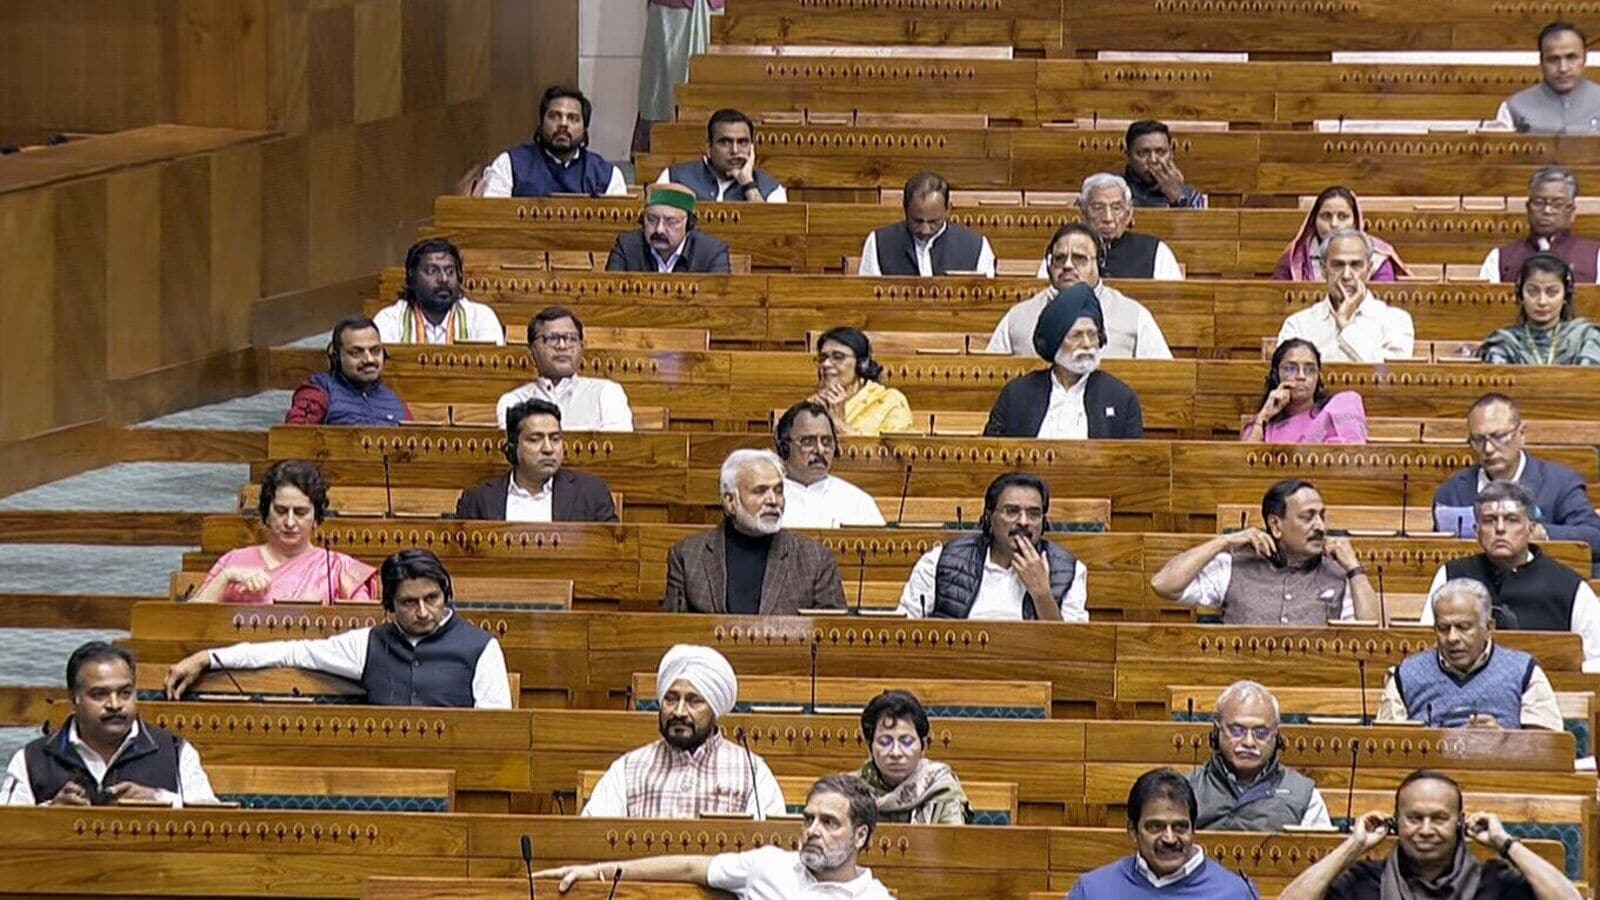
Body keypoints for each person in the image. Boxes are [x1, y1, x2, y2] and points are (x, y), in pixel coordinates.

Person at [165, 550, 513, 709]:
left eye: (432, 598)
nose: (423, 612)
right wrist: (208, 658)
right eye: (409, 602)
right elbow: (290, 651)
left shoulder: (480, 648)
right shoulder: (368, 643)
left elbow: (495, 729)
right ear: (389, 606)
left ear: (445, 594)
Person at [538, 774, 893, 899]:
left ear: (860, 835)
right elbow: (689, 867)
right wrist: (598, 871)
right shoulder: (768, 865)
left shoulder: (874, 898)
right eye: (809, 819)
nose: (813, 831)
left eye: (829, 823)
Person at [1279, 769, 1582, 900]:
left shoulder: (1494, 882)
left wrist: (1505, 844)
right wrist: (1353, 847)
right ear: (1396, 823)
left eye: (1439, 818)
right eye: (1414, 818)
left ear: (1460, 823)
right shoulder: (1366, 882)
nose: (1425, 830)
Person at [582, 644, 785, 819]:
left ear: (714, 708)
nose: (679, 712)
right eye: (670, 699)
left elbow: (769, 849)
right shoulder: (628, 770)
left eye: (694, 701)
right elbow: (593, 839)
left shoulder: (751, 772)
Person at [3, 642, 218, 807]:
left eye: (125, 693)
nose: (115, 705)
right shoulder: (31, 760)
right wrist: (49, 815)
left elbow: (213, 825)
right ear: (73, 698)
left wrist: (159, 800)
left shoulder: (175, 751)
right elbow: (7, 830)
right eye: (99, 694)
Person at [1423, 481, 1600, 672]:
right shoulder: (1452, 576)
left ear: (1531, 529)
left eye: (1511, 519)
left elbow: (1596, 659)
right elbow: (1425, 648)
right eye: (1489, 520)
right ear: (1476, 531)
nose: (1500, 528)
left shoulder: (1569, 586)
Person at [1151, 479, 1379, 625]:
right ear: (1276, 525)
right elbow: (1163, 584)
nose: (1320, 526)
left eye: (1322, 516)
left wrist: (1354, 569)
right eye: (1307, 517)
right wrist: (1224, 541)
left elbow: (1371, 639)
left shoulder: (1339, 575)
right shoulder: (1236, 566)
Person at [663, 449, 846, 615]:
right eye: (760, 491)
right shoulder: (688, 557)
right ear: (730, 502)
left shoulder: (815, 559)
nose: (773, 500)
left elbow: (832, 633)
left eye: (778, 491)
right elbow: (672, 632)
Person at [1431, 393, 1600, 566]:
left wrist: (1542, 533)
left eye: (1499, 436)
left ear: (1521, 434)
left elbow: (1595, 536)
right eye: (1478, 440)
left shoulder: (1559, 484)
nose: (1488, 449)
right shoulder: (1451, 493)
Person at [897, 472, 1088, 621]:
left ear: (1043, 522)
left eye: (1034, 514)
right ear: (989, 517)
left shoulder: (1069, 570)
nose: (1023, 521)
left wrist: (1042, 594)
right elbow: (903, 629)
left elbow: (1074, 648)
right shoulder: (939, 562)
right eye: (1011, 511)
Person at [1381, 578, 1564, 731]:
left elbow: (1550, 747)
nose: (1452, 638)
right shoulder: (1405, 675)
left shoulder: (1524, 672)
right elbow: (1385, 746)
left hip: (1501, 763)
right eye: (1443, 628)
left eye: (1463, 627)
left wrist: (1505, 741)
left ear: (1489, 628)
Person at [194, 460, 376, 604]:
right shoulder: (233, 561)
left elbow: (365, 627)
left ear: (316, 518)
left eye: (300, 512)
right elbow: (190, 620)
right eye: (281, 511)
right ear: (267, 514)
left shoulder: (339, 568)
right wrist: (225, 577)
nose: (289, 522)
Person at [987, 222, 1173, 359]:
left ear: (1099, 263)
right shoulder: (1017, 316)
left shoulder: (1134, 315)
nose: (1067, 265)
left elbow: (1163, 376)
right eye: (1060, 258)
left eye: (1079, 258)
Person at [1067, 768, 1258, 898]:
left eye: (1180, 827)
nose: (1169, 838)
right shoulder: (1093, 891)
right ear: (1132, 830)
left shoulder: (1235, 894)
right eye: (1155, 827)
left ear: (1193, 828)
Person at [983, 285, 1144, 439]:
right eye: (1076, 335)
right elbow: (991, 451)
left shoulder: (1121, 399)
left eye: (1092, 334)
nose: (1087, 343)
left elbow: (1132, 456)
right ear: (1056, 341)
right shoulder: (1017, 395)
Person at [1189, 681, 1332, 831]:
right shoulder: (1189, 789)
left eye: (1261, 733)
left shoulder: (1305, 796)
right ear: (1217, 730)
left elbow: (1320, 846)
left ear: (1276, 734)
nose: (1248, 742)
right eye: (1236, 731)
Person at [454, 399, 618, 522]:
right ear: (513, 446)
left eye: (555, 439)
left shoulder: (591, 493)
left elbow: (613, 553)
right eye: (535, 439)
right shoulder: (478, 499)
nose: (548, 448)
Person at [1276, 228, 1416, 363]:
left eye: (1356, 265)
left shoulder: (1396, 321)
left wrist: (1346, 328)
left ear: (1369, 270)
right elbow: (1288, 373)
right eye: (1338, 265)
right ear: (1323, 269)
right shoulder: (1298, 325)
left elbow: (1388, 375)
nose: (1346, 275)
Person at [495, 306, 634, 432]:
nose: (562, 346)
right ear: (532, 348)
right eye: (552, 338)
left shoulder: (606, 393)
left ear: (582, 346)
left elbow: (619, 446)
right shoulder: (514, 402)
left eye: (571, 339)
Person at [478, 85, 627, 198]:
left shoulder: (607, 176)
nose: (563, 124)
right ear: (541, 124)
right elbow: (492, 217)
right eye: (554, 116)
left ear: (584, 130)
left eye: (573, 118)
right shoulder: (509, 165)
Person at [854, 690, 972, 824]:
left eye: (907, 742)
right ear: (870, 746)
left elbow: (952, 836)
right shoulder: (852, 792)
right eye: (885, 742)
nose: (896, 753)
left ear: (923, 745)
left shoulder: (942, 788)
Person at [857, 172, 996, 277]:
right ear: (905, 208)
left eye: (933, 222)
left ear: (948, 209)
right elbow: (867, 297)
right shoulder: (878, 243)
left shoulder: (976, 247)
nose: (925, 230)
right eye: (917, 221)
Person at [371, 238, 505, 345]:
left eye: (450, 271)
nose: (444, 279)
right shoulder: (390, 320)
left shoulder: (481, 317)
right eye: (432, 271)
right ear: (412, 277)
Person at [634, 0, 726, 154]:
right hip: (669, 13)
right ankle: (660, 150)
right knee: (664, 87)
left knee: (714, 81)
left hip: (716, 10)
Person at [1479, 166, 1600, 283]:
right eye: (1539, 202)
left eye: (1557, 204)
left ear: (1572, 212)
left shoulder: (1595, 257)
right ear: (1528, 208)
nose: (1547, 210)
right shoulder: (1499, 259)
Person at [774, 401, 884, 528]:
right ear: (784, 447)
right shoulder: (763, 500)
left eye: (827, 441)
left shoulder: (859, 503)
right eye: (808, 441)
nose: (820, 450)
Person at [284, 315, 410, 426]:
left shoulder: (394, 401)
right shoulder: (320, 391)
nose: (369, 359)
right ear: (337, 357)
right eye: (356, 353)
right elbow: (295, 438)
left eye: (375, 351)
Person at [1479, 254, 1600, 365]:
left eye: (1552, 292)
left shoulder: (1585, 337)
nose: (1542, 301)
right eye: (1532, 291)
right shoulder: (1504, 342)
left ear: (1565, 296)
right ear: (1521, 295)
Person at [1242, 339, 1368, 444]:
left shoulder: (1339, 410)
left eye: (1310, 370)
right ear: (1276, 376)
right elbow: (1245, 461)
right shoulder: (1262, 425)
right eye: (1291, 368)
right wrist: (1264, 416)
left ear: (1318, 377)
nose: (1301, 376)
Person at [1272, 186, 1409, 282]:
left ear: (1355, 222)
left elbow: (1382, 306)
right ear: (1314, 221)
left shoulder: (1377, 258)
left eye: (1342, 216)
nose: (1334, 224)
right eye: (1326, 216)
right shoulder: (1295, 258)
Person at [1063, 172, 1184, 280]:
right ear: (1083, 212)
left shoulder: (1156, 251)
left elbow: (1174, 295)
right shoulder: (1064, 249)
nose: (1108, 218)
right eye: (1098, 208)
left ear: (1128, 214)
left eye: (1116, 208)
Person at [655, 108, 786, 202]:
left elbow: (770, 229)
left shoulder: (771, 190)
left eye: (742, 142)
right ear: (709, 148)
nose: (735, 150)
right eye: (725, 142)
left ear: (752, 148)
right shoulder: (673, 178)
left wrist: (748, 184)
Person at [1495, 21, 1600, 136]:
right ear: (1541, 61)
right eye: (1553, 59)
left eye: (1571, 57)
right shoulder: (1513, 108)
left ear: (1585, 57)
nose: (1563, 68)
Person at [605, 183, 732, 274]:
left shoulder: (712, 253)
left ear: (689, 224)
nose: (659, 229)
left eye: (671, 222)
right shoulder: (626, 247)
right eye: (652, 219)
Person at [808, 327, 913, 437]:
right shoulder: (812, 404)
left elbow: (896, 446)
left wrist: (837, 422)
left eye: (838, 357)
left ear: (861, 364)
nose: (826, 364)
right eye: (823, 358)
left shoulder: (890, 401)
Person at [1123, 120, 1207, 209]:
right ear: (1128, 155)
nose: (1153, 160)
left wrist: (1178, 199)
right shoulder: (1115, 189)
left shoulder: (1192, 196)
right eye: (1143, 153)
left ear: (1171, 154)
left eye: (1160, 152)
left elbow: (1197, 218)